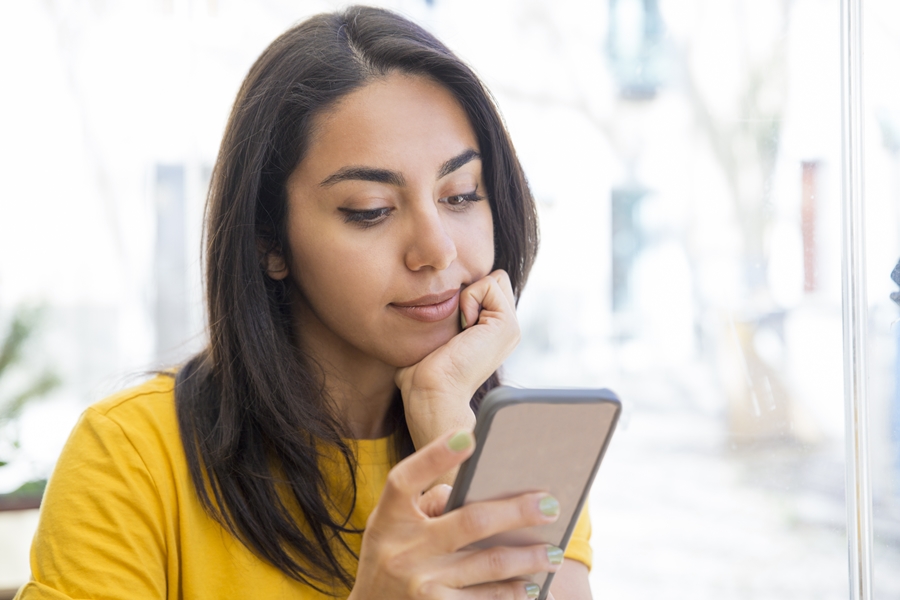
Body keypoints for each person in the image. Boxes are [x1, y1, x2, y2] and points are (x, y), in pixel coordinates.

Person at [17, 6, 593, 599]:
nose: (437, 250)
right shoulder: (131, 455)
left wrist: (443, 409)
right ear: (270, 241)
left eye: (461, 195)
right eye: (370, 210)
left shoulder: (527, 451)